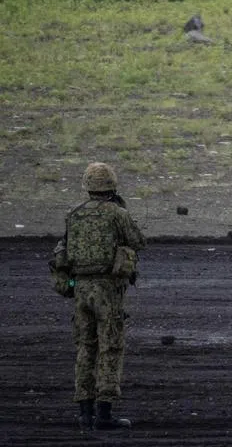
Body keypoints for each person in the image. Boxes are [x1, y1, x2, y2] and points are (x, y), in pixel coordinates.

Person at [61, 162, 146, 431]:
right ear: (112, 185)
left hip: (81, 290)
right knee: (110, 349)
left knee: (86, 348)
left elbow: (66, 249)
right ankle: (104, 414)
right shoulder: (116, 213)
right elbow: (138, 241)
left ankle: (85, 414)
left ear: (87, 186)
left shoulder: (73, 214)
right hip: (107, 290)